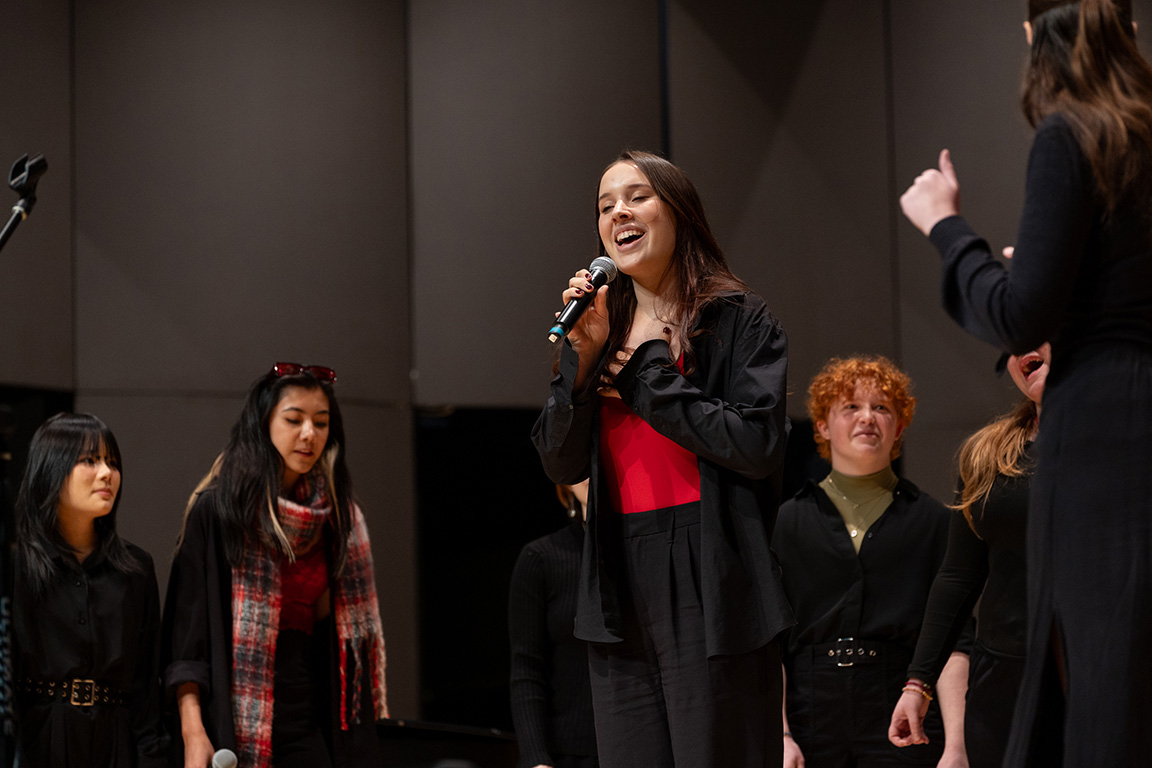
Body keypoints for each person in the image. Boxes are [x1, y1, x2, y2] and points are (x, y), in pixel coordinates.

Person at [899, 0, 1152, 762]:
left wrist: (946, 226)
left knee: (1104, 679)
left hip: (1106, 423)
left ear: (1033, 37)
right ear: (1130, 31)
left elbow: (1018, 314)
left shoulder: (1072, 133)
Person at [532, 150, 792, 768]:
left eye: (637, 196)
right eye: (604, 205)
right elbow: (559, 462)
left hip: (711, 568)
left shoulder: (739, 319)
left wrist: (646, 371)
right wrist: (583, 364)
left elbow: (755, 444)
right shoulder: (599, 326)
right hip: (619, 568)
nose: (618, 211)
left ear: (678, 212)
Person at [162, 363, 388, 768]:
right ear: (263, 422)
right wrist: (193, 733)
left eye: (321, 423)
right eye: (294, 419)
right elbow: (187, 643)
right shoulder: (218, 511)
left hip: (307, 719)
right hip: (231, 721)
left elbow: (327, 640)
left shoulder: (336, 519)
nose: (309, 434)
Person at [774, 356, 969, 768]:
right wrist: (782, 732)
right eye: (851, 407)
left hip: (902, 703)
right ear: (823, 426)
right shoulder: (787, 521)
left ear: (899, 427)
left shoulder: (934, 520)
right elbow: (769, 643)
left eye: (882, 408)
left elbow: (955, 638)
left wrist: (956, 746)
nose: (868, 418)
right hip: (811, 712)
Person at [889, 344, 1049, 768]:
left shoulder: (1124, 440)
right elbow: (959, 576)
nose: (1027, 345)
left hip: (1098, 673)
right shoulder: (988, 453)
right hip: (1003, 678)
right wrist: (918, 682)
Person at [12, 412, 167, 766]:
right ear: (51, 468)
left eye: (112, 462)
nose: (106, 473)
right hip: (40, 743)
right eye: (90, 460)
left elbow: (146, 689)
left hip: (116, 744)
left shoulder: (136, 568)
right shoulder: (17, 566)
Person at [508, 480, 598, 768]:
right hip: (571, 753)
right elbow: (527, 669)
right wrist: (536, 758)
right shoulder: (541, 559)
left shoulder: (649, 552)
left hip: (648, 744)